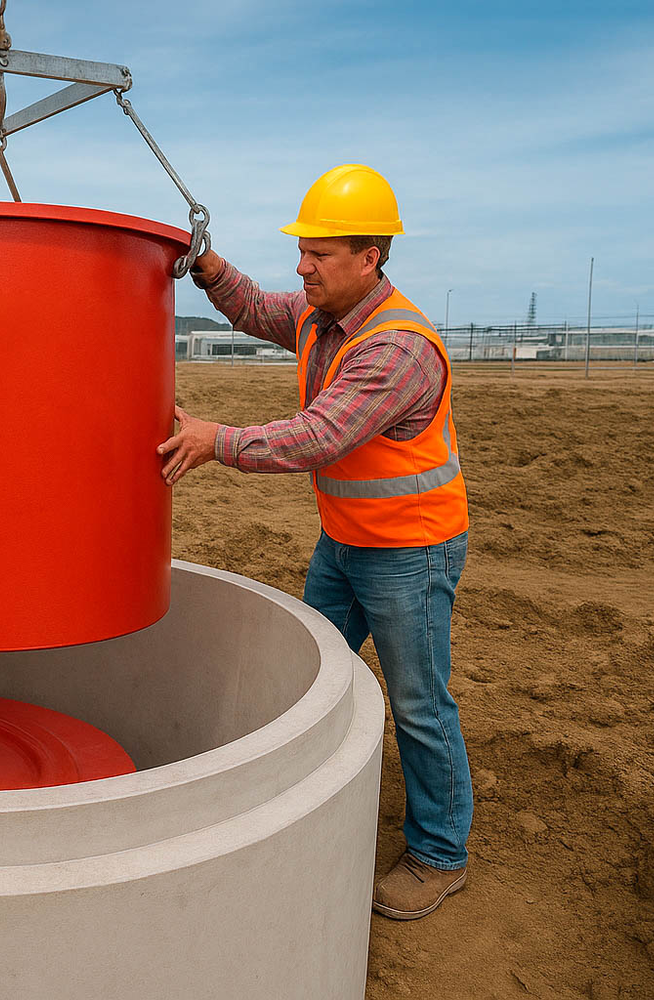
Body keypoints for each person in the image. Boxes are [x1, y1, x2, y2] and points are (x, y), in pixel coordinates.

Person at [156, 164, 472, 921]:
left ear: (370, 258)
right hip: (345, 543)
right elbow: (256, 307)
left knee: (420, 704)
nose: (302, 267)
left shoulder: (397, 349)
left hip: (409, 553)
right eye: (301, 250)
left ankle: (439, 854)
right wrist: (208, 266)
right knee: (312, 670)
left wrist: (216, 440)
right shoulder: (319, 314)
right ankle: (305, 796)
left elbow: (320, 436)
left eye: (319, 254)